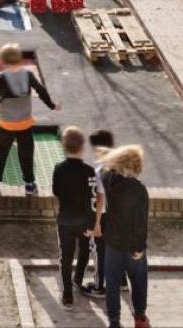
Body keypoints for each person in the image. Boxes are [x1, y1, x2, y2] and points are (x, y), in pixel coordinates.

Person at [0, 42, 57, 195]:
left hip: (7, 124)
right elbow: (41, 90)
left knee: (1, 154)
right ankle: (30, 184)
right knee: (26, 154)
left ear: (4, 60)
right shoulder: (27, 74)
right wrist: (51, 105)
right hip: (25, 123)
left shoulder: (2, 77)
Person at [95, 144, 150, 328]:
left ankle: (114, 321)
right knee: (139, 281)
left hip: (113, 243)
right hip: (133, 244)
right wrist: (140, 247)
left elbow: (104, 169)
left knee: (112, 284)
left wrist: (113, 157)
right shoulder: (139, 190)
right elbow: (141, 222)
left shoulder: (108, 180)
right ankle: (140, 317)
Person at [52, 127, 100, 306]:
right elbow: (92, 197)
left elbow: (56, 191)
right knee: (85, 249)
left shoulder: (59, 169)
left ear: (64, 147)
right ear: (82, 148)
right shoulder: (89, 171)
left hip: (65, 220)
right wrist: (92, 222)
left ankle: (67, 294)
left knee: (65, 256)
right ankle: (78, 278)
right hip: (84, 220)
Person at [85, 130, 116, 296]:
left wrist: (96, 224)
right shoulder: (121, 165)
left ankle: (99, 286)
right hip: (119, 215)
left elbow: (100, 199)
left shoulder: (100, 171)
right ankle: (122, 282)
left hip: (104, 216)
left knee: (100, 251)